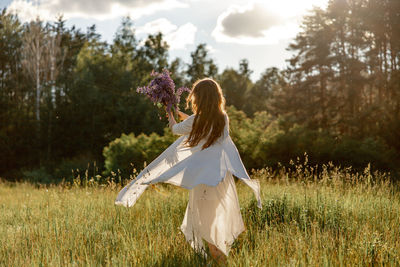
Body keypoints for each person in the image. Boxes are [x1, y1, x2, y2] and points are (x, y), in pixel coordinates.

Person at [115, 78, 261, 263]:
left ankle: (219, 260)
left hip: (203, 181)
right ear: (216, 97)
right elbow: (199, 123)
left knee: (205, 224)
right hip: (220, 179)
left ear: (198, 98)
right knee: (213, 220)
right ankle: (217, 259)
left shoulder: (196, 121)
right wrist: (179, 113)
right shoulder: (223, 118)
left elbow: (175, 129)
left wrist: (170, 113)